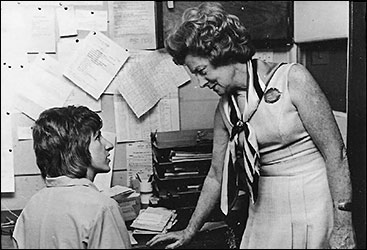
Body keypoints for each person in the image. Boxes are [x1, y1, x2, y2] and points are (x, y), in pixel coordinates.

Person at [146, 2, 356, 249]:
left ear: (221, 53)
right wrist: (189, 231)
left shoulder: (293, 79)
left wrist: (344, 225)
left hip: (314, 202)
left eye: (202, 71)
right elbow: (215, 176)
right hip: (266, 206)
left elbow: (336, 153)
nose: (201, 83)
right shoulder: (225, 110)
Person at [12, 105, 132, 249]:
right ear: (77, 149)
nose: (109, 145)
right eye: (98, 137)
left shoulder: (32, 205)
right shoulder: (102, 208)